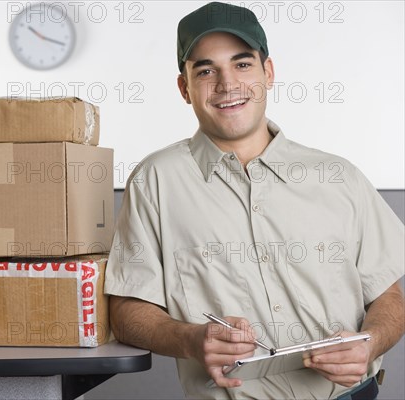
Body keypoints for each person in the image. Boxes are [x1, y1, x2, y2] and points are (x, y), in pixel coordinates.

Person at [104, 2, 405, 399]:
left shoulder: (339, 177)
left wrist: (372, 341)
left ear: (269, 72)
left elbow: (389, 296)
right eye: (206, 70)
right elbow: (126, 310)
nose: (227, 85)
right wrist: (190, 339)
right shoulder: (155, 181)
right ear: (184, 88)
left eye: (243, 64)